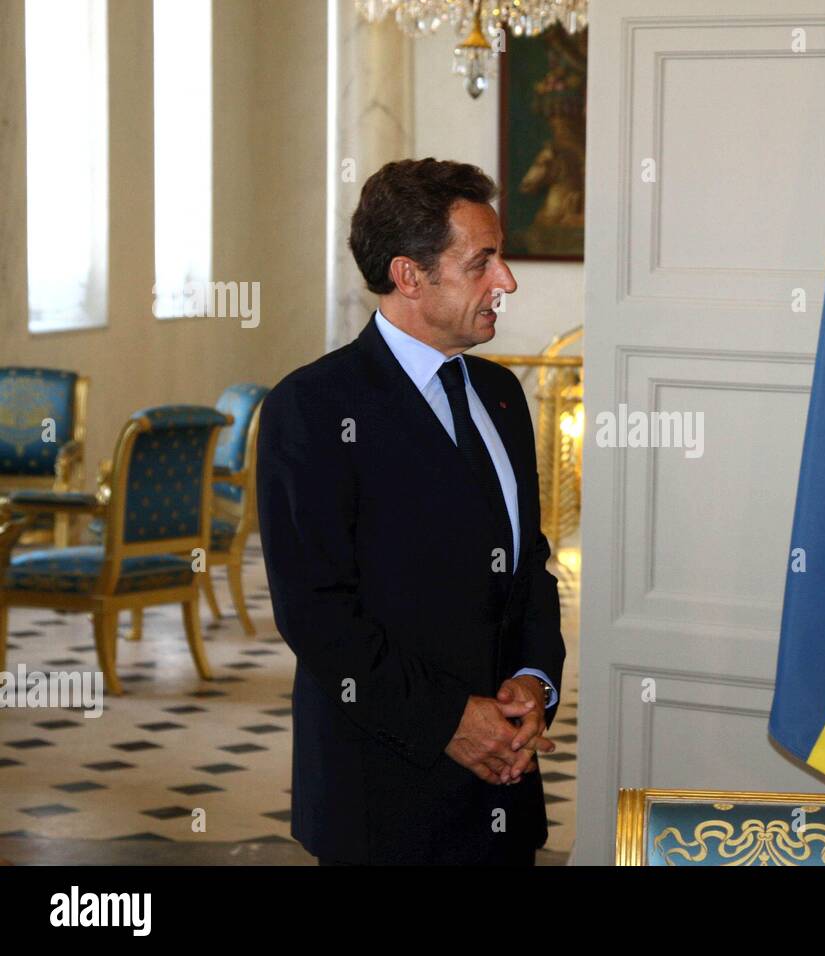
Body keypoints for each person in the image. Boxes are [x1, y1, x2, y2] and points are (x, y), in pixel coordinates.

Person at [257, 158, 566, 865]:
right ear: (409, 275)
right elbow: (317, 613)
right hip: (384, 799)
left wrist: (532, 683)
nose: (507, 282)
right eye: (481, 262)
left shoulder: (502, 395)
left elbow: (530, 569)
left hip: (504, 792)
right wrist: (452, 722)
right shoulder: (314, 408)